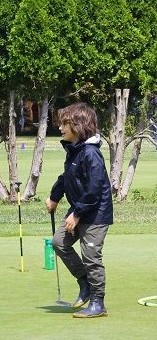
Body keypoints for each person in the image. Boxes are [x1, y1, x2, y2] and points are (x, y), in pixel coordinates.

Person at [45, 102, 113, 318]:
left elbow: (94, 190)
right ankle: (85, 283)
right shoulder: (75, 151)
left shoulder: (91, 153)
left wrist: (76, 214)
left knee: (91, 255)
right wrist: (55, 197)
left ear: (80, 126)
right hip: (81, 210)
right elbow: (67, 178)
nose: (61, 128)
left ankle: (97, 302)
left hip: (95, 214)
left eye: (65, 124)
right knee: (58, 242)